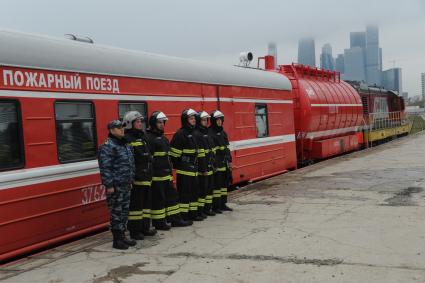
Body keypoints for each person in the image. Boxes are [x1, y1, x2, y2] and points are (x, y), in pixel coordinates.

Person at [146, 111, 192, 230]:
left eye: (163, 122)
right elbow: (148, 160)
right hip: (157, 177)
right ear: (153, 123)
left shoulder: (164, 138)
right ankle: (159, 223)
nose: (162, 125)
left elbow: (168, 157)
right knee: (159, 200)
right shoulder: (149, 138)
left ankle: (175, 220)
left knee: (172, 198)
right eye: (159, 122)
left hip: (167, 175)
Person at [98, 120, 137, 250]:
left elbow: (131, 163)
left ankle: (123, 236)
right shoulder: (107, 146)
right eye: (119, 128)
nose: (122, 129)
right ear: (112, 130)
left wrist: (131, 180)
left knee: (124, 212)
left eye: (122, 127)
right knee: (116, 212)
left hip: (125, 184)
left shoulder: (125, 144)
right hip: (115, 186)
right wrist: (109, 185)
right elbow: (105, 167)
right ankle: (117, 240)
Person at [123, 111, 157, 241]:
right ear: (129, 124)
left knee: (146, 205)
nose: (140, 124)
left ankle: (145, 228)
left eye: (140, 121)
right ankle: (135, 231)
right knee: (136, 207)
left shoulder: (142, 137)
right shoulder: (127, 139)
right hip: (137, 178)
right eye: (137, 121)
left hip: (147, 177)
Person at [170, 109, 204, 221]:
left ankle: (193, 215)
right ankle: (184, 216)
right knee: (185, 194)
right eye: (191, 118)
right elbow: (174, 155)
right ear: (185, 120)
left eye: (194, 118)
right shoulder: (180, 134)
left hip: (193, 169)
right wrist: (183, 163)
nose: (193, 120)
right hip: (184, 171)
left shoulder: (193, 133)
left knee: (194, 193)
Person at [209, 110, 233, 212]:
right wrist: (213, 164)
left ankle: (223, 204)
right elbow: (211, 151)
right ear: (213, 121)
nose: (219, 122)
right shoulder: (210, 132)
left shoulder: (223, 132)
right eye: (217, 120)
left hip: (224, 163)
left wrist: (230, 161)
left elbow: (227, 148)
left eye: (220, 120)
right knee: (217, 186)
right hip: (217, 164)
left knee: (224, 186)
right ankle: (216, 206)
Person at [193, 111, 216, 217]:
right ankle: (200, 211)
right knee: (202, 191)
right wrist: (203, 169)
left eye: (206, 120)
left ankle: (207, 209)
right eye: (203, 120)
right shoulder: (197, 134)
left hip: (210, 166)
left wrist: (214, 165)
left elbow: (211, 151)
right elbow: (201, 154)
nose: (205, 122)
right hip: (203, 169)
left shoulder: (207, 133)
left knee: (209, 189)